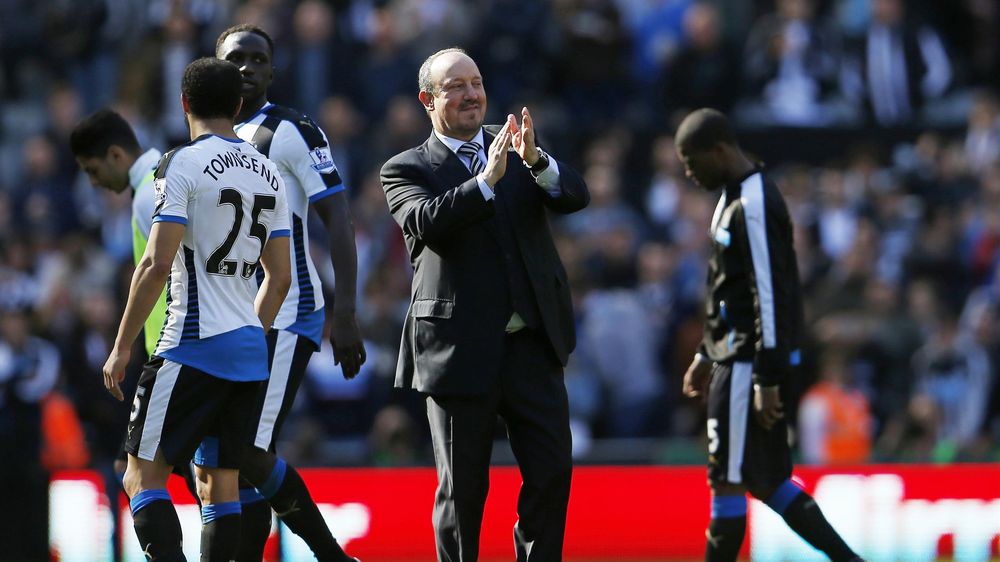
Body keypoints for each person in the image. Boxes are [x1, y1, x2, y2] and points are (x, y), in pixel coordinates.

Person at [381, 47, 590, 562]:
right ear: (427, 100)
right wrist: (485, 181)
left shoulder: (519, 147)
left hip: (531, 345)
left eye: (476, 82)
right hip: (458, 351)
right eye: (456, 86)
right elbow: (427, 222)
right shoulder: (404, 168)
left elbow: (574, 196)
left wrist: (536, 161)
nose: (472, 94)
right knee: (462, 492)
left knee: (551, 474)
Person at [101, 57, 292, 562]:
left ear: (184, 103)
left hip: (190, 344)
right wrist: (249, 333)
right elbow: (281, 278)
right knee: (218, 486)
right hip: (250, 351)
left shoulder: (180, 164)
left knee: (139, 474)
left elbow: (154, 265)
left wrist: (121, 348)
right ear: (237, 105)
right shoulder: (269, 170)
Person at [676, 108, 862, 562]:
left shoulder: (755, 201)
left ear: (718, 151)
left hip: (747, 365)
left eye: (692, 162)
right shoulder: (731, 198)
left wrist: (767, 378)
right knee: (767, 478)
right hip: (733, 359)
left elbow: (771, 295)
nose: (689, 173)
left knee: (727, 481)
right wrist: (705, 352)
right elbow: (727, 289)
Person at [215, 23, 364, 562]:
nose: (248, 69)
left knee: (249, 450)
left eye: (258, 60)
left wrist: (345, 314)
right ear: (215, 68)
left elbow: (338, 217)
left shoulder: (292, 131)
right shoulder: (203, 137)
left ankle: (332, 556)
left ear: (273, 72)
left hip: (287, 312)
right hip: (227, 319)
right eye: (236, 59)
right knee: (231, 455)